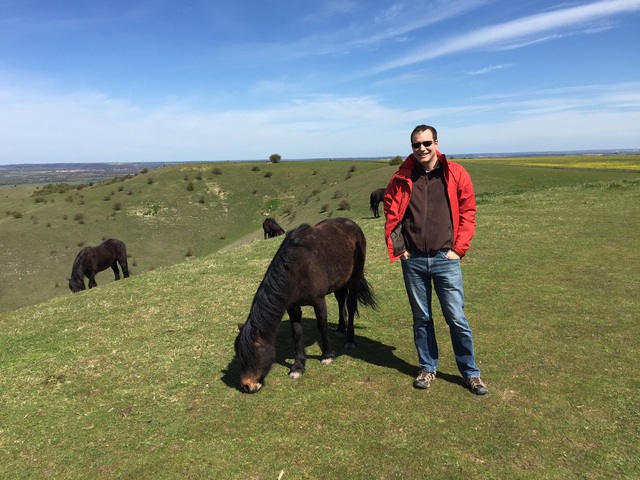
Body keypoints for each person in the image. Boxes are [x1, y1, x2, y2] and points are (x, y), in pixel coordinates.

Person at [383, 124, 488, 395]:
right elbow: (390, 211)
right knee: (422, 318)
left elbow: (468, 210)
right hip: (414, 259)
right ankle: (428, 368)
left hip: (446, 257)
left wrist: (459, 249)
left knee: (456, 317)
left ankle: (471, 373)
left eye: (426, 143)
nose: (422, 149)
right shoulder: (402, 177)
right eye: (417, 145)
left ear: (437, 143)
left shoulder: (454, 173)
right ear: (412, 148)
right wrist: (400, 248)